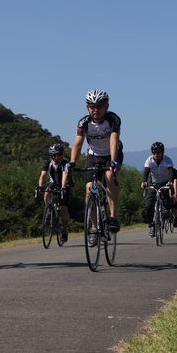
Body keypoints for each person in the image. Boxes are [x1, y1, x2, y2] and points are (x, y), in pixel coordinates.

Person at [66, 89, 122, 245]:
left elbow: (114, 140)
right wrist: (72, 162)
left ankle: (113, 217)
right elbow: (78, 144)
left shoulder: (113, 119)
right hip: (94, 156)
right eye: (92, 106)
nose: (95, 110)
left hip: (112, 154)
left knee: (109, 177)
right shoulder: (83, 122)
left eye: (99, 106)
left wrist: (113, 160)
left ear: (107, 106)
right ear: (87, 107)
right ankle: (94, 228)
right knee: (89, 189)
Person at [36, 143, 71, 242]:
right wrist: (40, 186)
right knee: (46, 192)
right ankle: (48, 210)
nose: (61, 156)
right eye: (58, 155)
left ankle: (64, 229)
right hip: (53, 183)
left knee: (63, 208)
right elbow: (43, 175)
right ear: (53, 156)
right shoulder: (48, 163)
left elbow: (65, 174)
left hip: (65, 184)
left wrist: (63, 187)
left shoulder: (65, 163)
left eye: (62, 154)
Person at [141, 141, 175, 237]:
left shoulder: (167, 160)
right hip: (154, 183)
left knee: (167, 202)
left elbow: (170, 172)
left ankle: (166, 215)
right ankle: (152, 225)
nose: (156, 154)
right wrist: (144, 181)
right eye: (154, 152)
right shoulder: (149, 160)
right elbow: (146, 171)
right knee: (149, 205)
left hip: (165, 183)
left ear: (162, 152)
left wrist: (170, 181)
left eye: (158, 152)